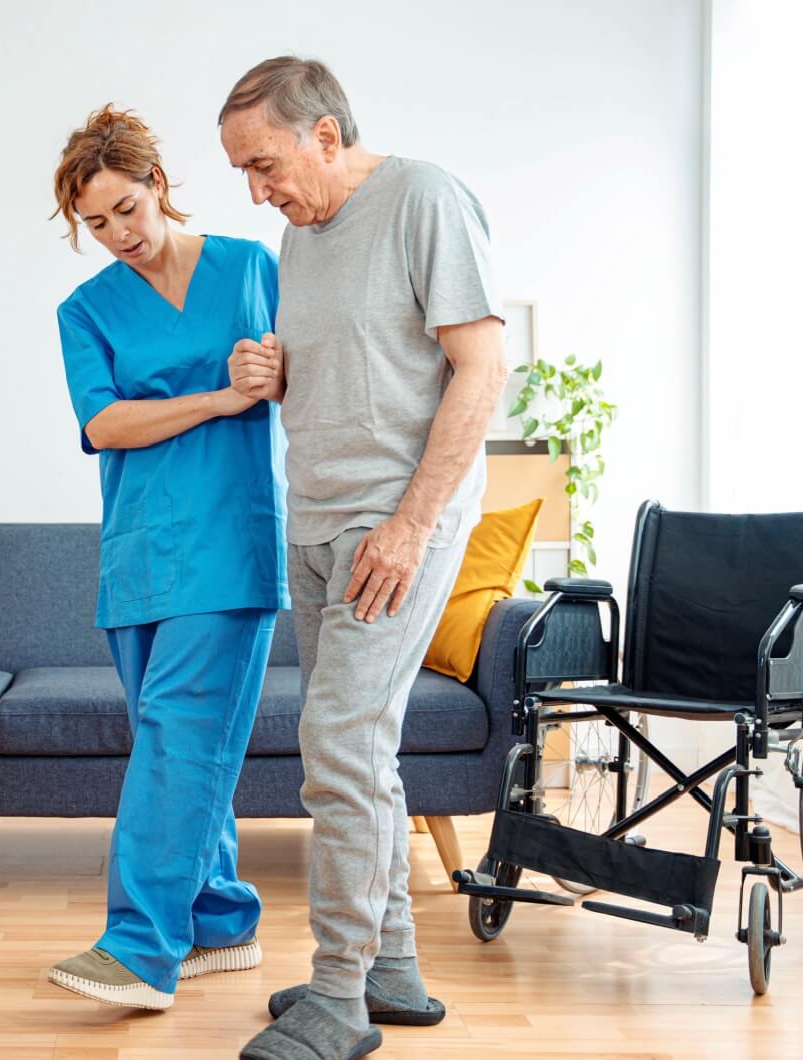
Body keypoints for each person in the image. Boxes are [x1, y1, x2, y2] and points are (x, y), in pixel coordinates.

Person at [219, 57, 508, 1059]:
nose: (258, 192)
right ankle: (388, 968)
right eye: (243, 175)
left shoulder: (422, 197)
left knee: (336, 748)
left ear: (325, 135)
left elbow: (482, 365)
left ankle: (337, 999)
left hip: (393, 529)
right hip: (315, 521)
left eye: (265, 165)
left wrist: (411, 522)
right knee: (361, 749)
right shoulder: (300, 237)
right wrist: (276, 368)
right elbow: (361, 357)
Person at [44, 105, 289, 1011]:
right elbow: (103, 423)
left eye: (126, 211)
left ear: (159, 187)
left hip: (230, 539)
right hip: (140, 552)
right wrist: (221, 399)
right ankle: (221, 920)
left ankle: (142, 946)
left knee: (184, 733)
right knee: (176, 741)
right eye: (95, 225)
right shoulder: (85, 309)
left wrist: (272, 378)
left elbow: (299, 367)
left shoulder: (250, 267)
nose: (117, 236)